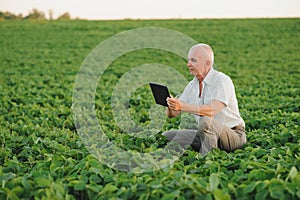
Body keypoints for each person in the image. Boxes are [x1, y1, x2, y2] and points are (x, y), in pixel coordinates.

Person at [163, 43, 246, 155]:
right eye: (188, 60)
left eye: (193, 60)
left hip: (233, 135)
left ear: (207, 63)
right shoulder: (192, 85)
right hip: (207, 133)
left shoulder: (221, 80)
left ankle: (208, 160)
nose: (188, 64)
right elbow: (173, 114)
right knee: (168, 136)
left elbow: (212, 110)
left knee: (206, 121)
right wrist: (169, 103)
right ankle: (209, 146)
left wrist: (182, 106)